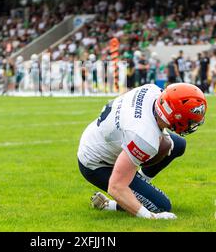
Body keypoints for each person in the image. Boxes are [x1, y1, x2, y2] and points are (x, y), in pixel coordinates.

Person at [78, 83, 207, 219]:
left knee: (177, 145)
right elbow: (116, 186)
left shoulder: (152, 90)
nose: (192, 124)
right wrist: (150, 216)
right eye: (190, 121)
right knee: (161, 206)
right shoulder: (144, 136)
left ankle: (139, 189)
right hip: (96, 163)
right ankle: (107, 205)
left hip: (101, 135)